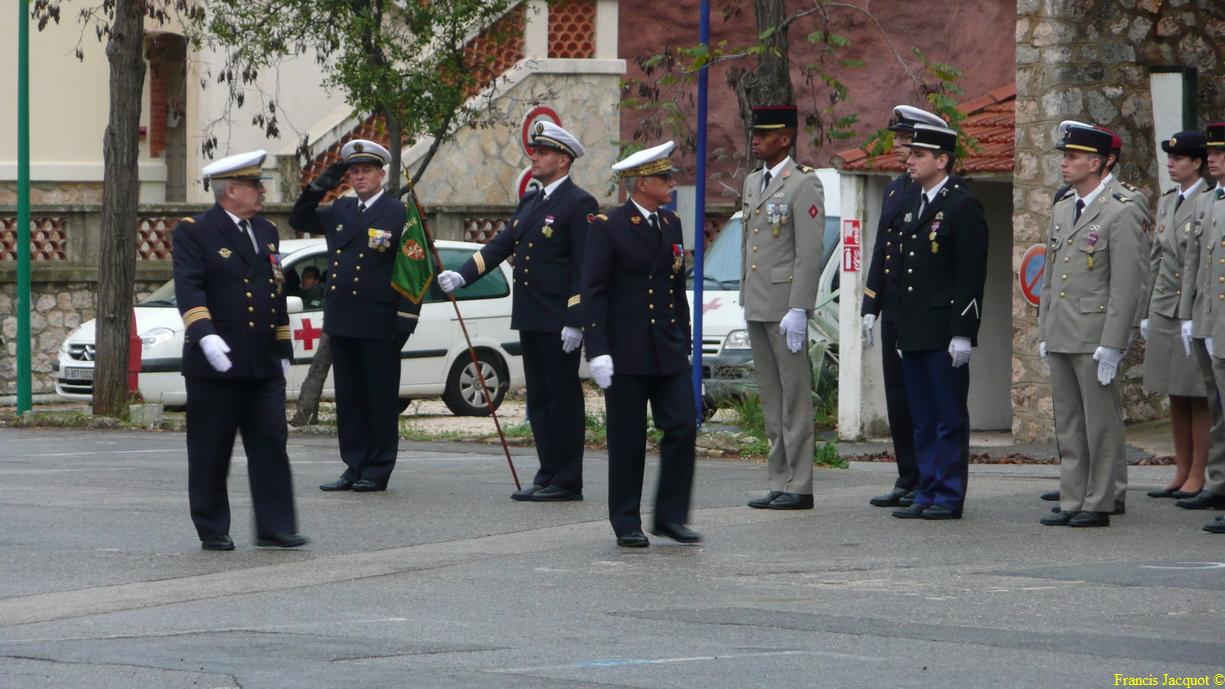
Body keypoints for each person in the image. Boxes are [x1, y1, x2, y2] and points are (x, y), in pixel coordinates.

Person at [437, 122, 598, 502]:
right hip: (529, 315)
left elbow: (584, 268)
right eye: (535, 151)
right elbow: (500, 244)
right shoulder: (531, 201)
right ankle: (548, 473)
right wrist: (461, 276)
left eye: (542, 153)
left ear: (562, 159)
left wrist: (576, 321)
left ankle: (567, 479)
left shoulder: (579, 204)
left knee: (562, 399)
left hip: (559, 322)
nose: (534, 158)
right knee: (539, 399)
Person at [172, 149, 307, 550]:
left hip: (261, 360)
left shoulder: (266, 230)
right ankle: (212, 526)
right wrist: (204, 334)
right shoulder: (196, 231)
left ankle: (275, 526)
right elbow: (189, 286)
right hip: (215, 362)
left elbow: (276, 291)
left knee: (270, 445)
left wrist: (284, 348)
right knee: (211, 450)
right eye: (254, 184)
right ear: (231, 191)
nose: (261, 191)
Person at [582, 141, 699, 547]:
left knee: (683, 426)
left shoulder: (671, 224)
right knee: (628, 439)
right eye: (664, 178)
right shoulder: (608, 225)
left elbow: (674, 288)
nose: (671, 183)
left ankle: (669, 515)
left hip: (666, 348)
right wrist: (597, 350)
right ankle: (626, 520)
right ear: (642, 183)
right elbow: (593, 290)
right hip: (626, 350)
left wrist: (683, 340)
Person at [289, 139, 421, 493]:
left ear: (381, 174)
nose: (360, 177)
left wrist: (406, 317)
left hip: (379, 320)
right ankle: (354, 464)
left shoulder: (399, 213)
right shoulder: (341, 209)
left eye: (367, 171)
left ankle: (378, 468)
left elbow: (414, 267)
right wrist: (319, 185)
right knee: (349, 398)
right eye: (354, 171)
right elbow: (298, 218)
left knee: (378, 397)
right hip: (343, 318)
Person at [1038, 124, 1148, 528]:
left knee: (1100, 423)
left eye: (1073, 157)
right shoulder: (1064, 206)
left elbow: (1126, 284)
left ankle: (1100, 501)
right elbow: (1051, 274)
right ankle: (1072, 497)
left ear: (1099, 162)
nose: (1064, 163)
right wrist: (1044, 329)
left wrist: (1115, 343)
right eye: (1064, 156)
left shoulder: (1120, 209)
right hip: (1064, 329)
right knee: (1068, 421)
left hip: (1095, 332)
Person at [887, 124, 988, 521]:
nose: (909, 161)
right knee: (923, 417)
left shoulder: (962, 204)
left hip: (945, 330)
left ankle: (948, 493)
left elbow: (969, 273)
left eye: (919, 155)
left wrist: (963, 331)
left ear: (942, 160)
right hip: (915, 328)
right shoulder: (915, 203)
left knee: (947, 416)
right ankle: (927, 488)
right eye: (910, 154)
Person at [739, 104, 825, 511]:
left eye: (765, 133)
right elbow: (750, 245)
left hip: (784, 305)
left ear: (786, 138)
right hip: (757, 302)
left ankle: (801, 483)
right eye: (755, 132)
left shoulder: (802, 184)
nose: (756, 138)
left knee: (794, 398)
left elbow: (809, 252)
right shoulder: (753, 181)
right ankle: (779, 478)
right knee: (772, 399)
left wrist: (800, 308)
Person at [861, 104, 947, 509]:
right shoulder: (896, 188)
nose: (900, 148)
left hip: (920, 308)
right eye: (898, 140)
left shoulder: (934, 190)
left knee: (921, 400)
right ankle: (907, 474)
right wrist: (869, 303)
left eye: (907, 140)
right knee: (897, 395)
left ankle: (927, 478)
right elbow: (883, 248)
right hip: (893, 304)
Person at [1138, 131, 1212, 500]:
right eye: (1170, 158)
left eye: (1179, 158)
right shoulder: (1168, 201)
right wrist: (1147, 308)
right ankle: (1181, 469)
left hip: (1192, 308)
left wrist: (1190, 313)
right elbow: (1157, 259)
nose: (1172, 163)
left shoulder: (1209, 199)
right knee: (1174, 392)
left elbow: (1200, 263)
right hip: (1165, 307)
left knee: (1196, 393)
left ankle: (1199, 472)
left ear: (1196, 163)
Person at [1188, 121, 1225, 526]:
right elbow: (1202, 267)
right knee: (1218, 407)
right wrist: (1194, 318)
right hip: (1212, 321)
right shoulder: (1212, 200)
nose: (1212, 158)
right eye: (1211, 152)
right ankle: (1219, 481)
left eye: (1220, 153)